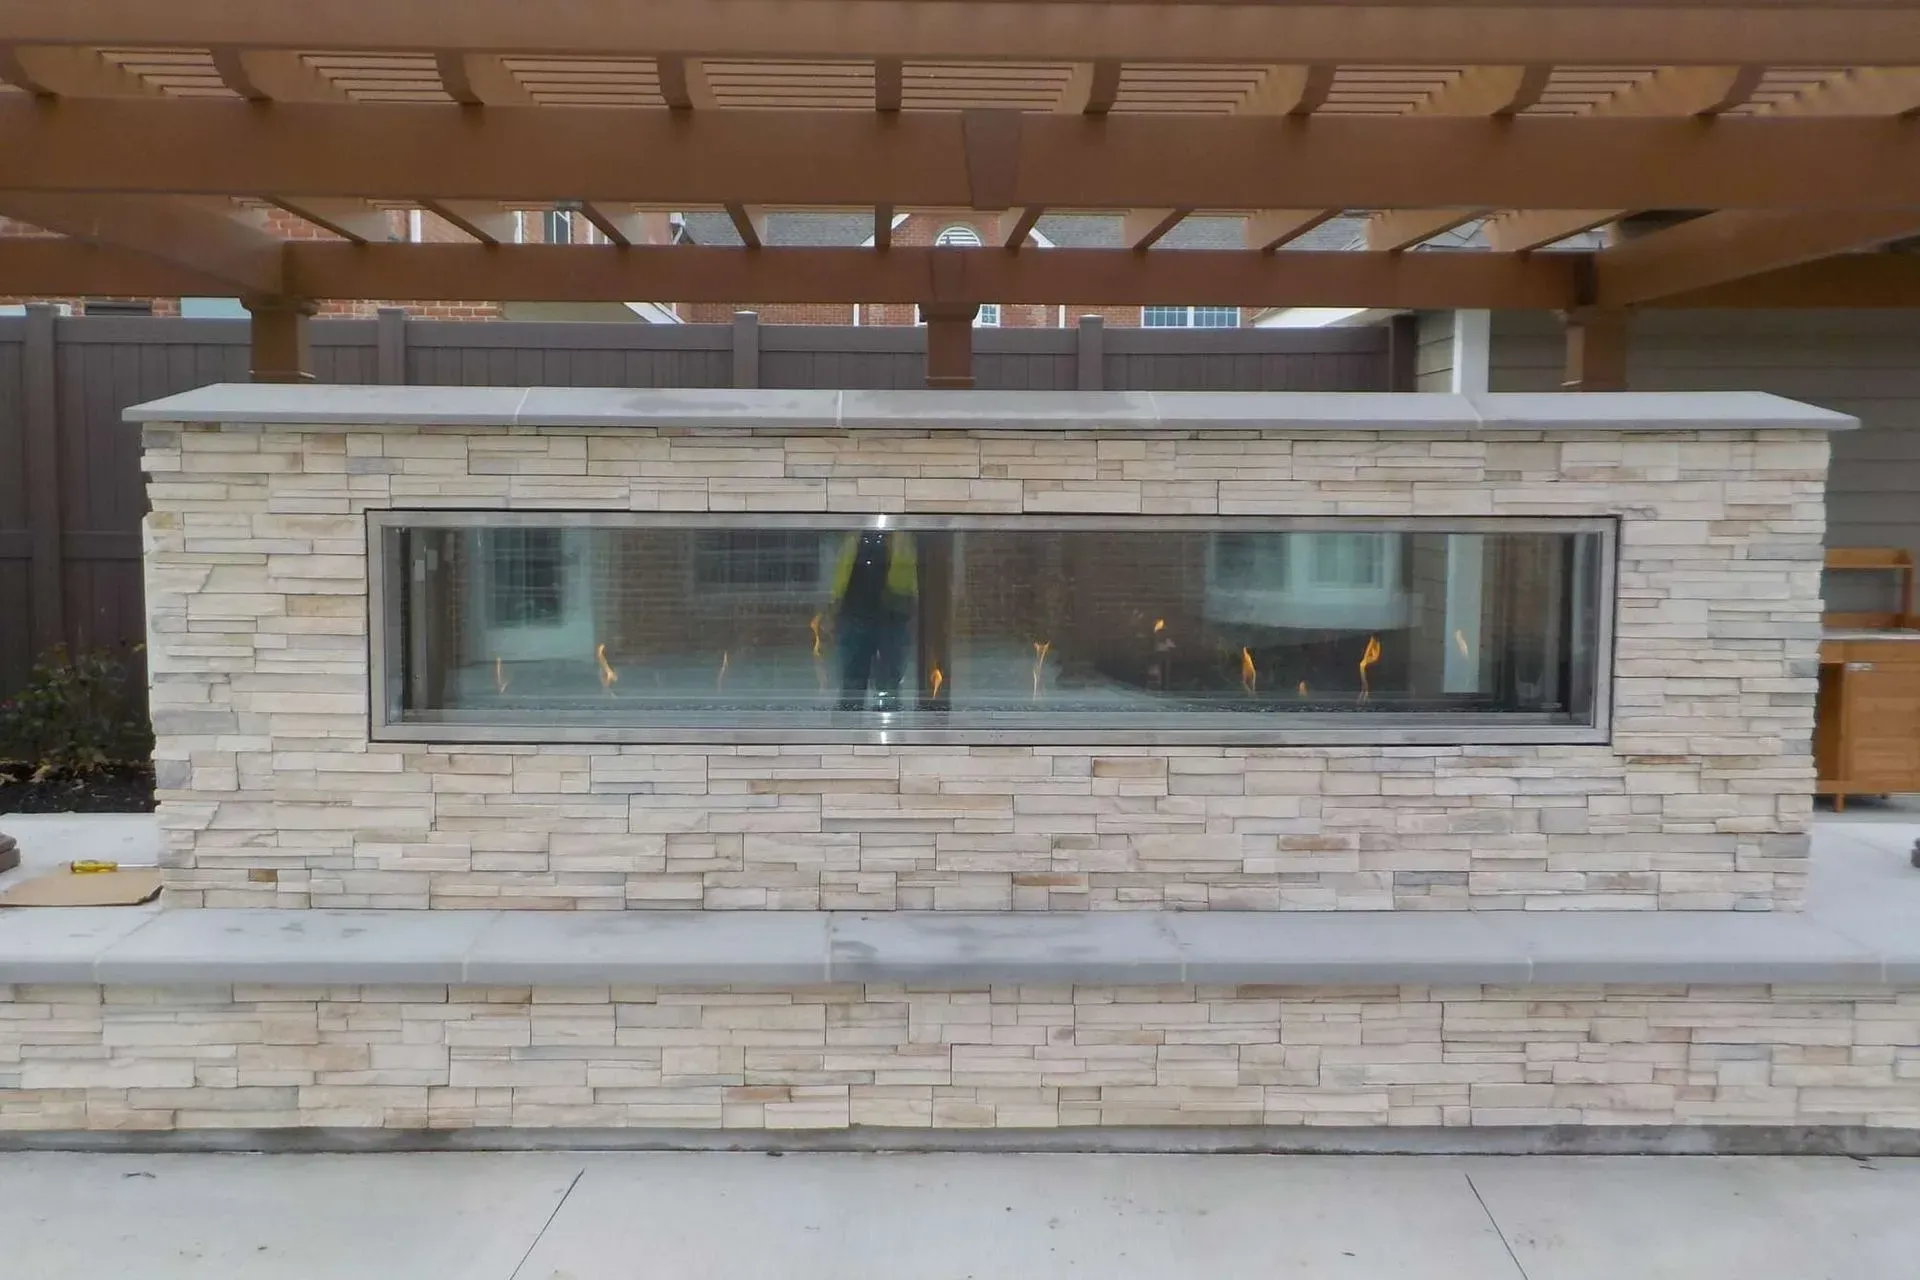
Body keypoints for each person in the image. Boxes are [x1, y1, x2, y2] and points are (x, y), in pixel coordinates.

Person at [830, 530, 917, 711]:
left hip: (891, 611)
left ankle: (884, 714)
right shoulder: (854, 536)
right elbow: (842, 573)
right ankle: (852, 719)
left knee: (887, 675)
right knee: (855, 673)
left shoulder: (901, 536)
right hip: (859, 612)